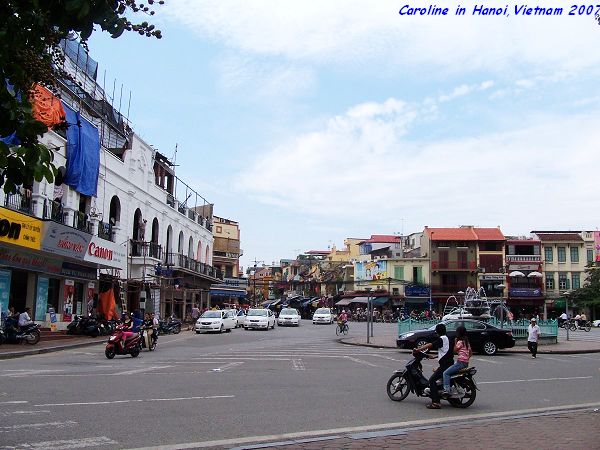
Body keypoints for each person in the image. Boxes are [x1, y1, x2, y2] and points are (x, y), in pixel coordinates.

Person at [414, 323, 454, 409]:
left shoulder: (441, 339)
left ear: (437, 331)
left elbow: (430, 345)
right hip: (449, 363)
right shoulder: (448, 339)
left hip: (445, 365)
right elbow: (446, 352)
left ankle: (436, 402)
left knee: (432, 380)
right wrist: (435, 356)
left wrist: (418, 349)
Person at [442, 325, 472, 395]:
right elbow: (470, 353)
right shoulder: (466, 342)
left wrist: (455, 342)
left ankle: (446, 390)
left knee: (445, 373)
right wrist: (466, 359)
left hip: (460, 362)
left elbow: (454, 351)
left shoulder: (460, 342)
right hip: (465, 363)